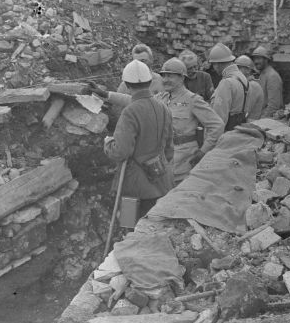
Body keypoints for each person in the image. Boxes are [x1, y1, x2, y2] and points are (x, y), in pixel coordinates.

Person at [93, 59, 224, 184]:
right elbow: (135, 100)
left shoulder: (193, 100)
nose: (166, 80)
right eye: (164, 76)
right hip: (162, 160)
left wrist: (203, 151)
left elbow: (217, 125)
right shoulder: (162, 97)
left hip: (185, 161)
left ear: (182, 78)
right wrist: (106, 95)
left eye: (170, 76)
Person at [103, 60, 174, 218]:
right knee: (152, 228)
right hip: (161, 182)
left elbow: (121, 151)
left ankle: (126, 242)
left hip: (132, 187)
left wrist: (108, 143)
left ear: (127, 85)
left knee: (129, 225)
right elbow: (169, 150)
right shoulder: (163, 107)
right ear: (149, 82)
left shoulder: (130, 112)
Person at [208, 43, 260, 131]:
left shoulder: (226, 83)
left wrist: (210, 141)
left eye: (213, 65)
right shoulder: (243, 78)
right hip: (239, 131)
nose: (214, 68)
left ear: (217, 64)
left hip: (225, 134)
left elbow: (219, 120)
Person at [251, 45, 284, 117]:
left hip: (267, 119)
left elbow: (273, 106)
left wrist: (260, 121)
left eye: (259, 58)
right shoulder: (262, 74)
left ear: (266, 60)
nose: (256, 61)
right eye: (254, 59)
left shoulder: (272, 76)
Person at [234, 55, 264, 120]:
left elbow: (245, 111)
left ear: (248, 70)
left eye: (239, 68)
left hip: (250, 124)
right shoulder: (244, 84)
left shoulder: (253, 86)